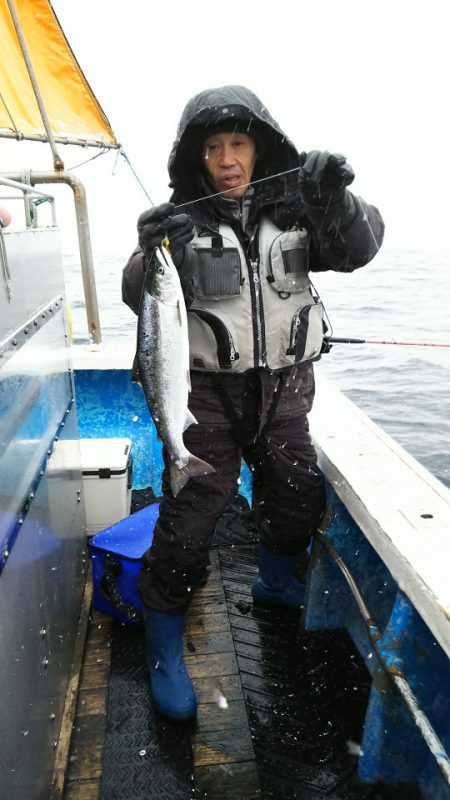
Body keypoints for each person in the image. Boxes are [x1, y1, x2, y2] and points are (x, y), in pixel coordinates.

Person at [122, 84, 384, 721]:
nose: (227, 159)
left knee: (296, 496)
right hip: (206, 395)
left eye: (237, 143)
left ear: (260, 147)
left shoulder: (301, 208)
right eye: (212, 147)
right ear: (196, 157)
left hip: (286, 390)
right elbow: (140, 295)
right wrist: (149, 248)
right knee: (189, 521)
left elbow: (358, 248)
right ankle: (163, 650)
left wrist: (337, 198)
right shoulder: (180, 221)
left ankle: (273, 581)